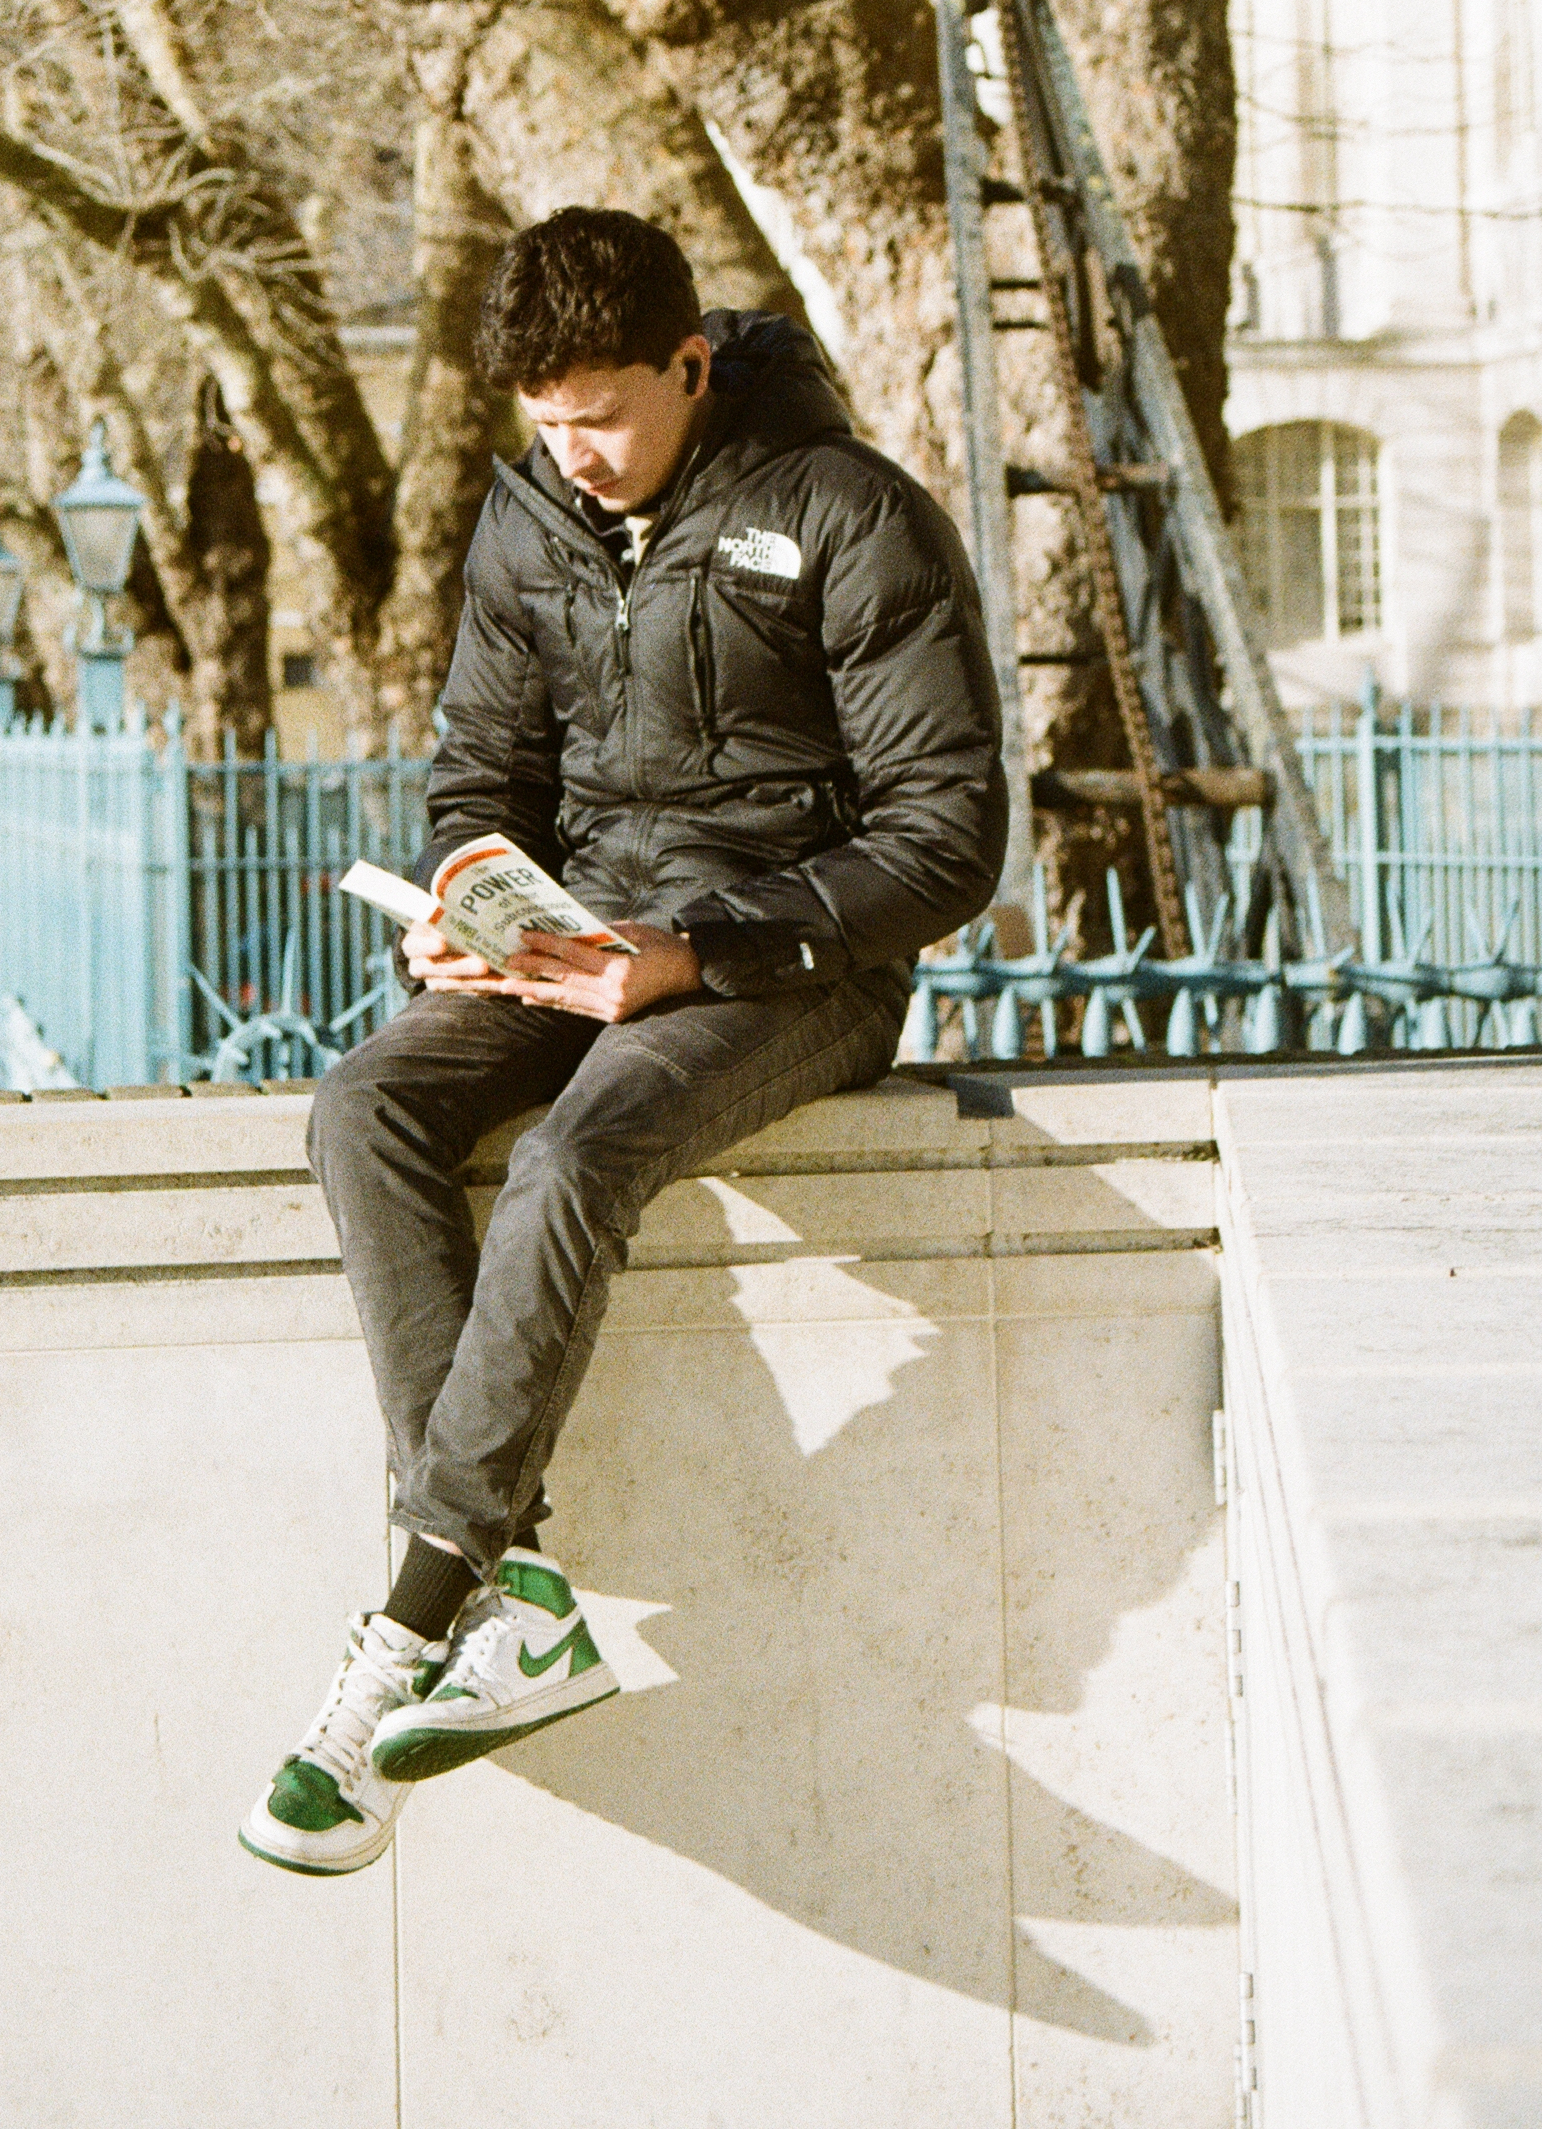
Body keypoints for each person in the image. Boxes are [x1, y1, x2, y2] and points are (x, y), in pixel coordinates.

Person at [242, 207, 1005, 1878]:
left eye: (602, 413)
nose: (574, 454)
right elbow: (481, 774)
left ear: (690, 364)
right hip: (568, 939)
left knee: (586, 1147)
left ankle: (412, 1622)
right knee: (363, 1105)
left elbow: (949, 835)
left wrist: (699, 950)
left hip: (785, 967)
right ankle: (518, 1596)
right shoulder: (527, 513)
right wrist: (464, 894)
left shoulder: (847, 511)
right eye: (545, 421)